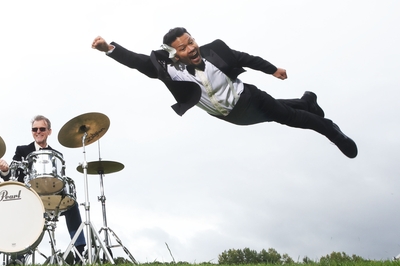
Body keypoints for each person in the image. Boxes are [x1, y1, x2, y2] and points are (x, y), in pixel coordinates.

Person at [91, 28, 357, 158]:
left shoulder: (214, 51)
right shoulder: (170, 71)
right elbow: (138, 61)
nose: (191, 49)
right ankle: (307, 102)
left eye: (191, 41)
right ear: (174, 53)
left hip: (250, 98)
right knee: (280, 111)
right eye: (183, 48)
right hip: (232, 116)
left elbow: (247, 58)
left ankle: (331, 130)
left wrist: (273, 69)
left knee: (287, 117)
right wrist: (108, 49)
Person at [0, 115, 87, 265]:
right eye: (35, 129)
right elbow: (11, 178)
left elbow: (60, 180)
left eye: (42, 129)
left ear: (49, 131)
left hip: (50, 197)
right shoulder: (22, 150)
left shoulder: (56, 155)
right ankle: (19, 256)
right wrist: (5, 170)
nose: (38, 132)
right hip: (28, 198)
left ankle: (79, 253)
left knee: (72, 205)